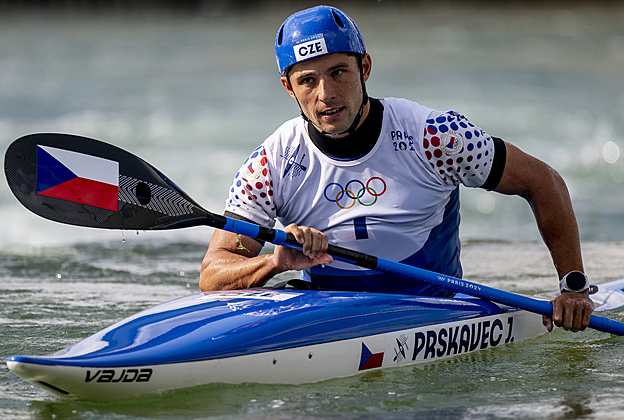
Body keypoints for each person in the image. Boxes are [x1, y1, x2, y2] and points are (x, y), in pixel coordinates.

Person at [200, 5, 594, 332]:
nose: (326, 95)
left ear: (365, 68)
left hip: (432, 312)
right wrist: (273, 261)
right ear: (289, 88)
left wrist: (573, 285)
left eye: (339, 72)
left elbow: (544, 182)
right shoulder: (270, 164)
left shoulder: (434, 136)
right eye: (308, 80)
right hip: (324, 318)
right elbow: (213, 275)